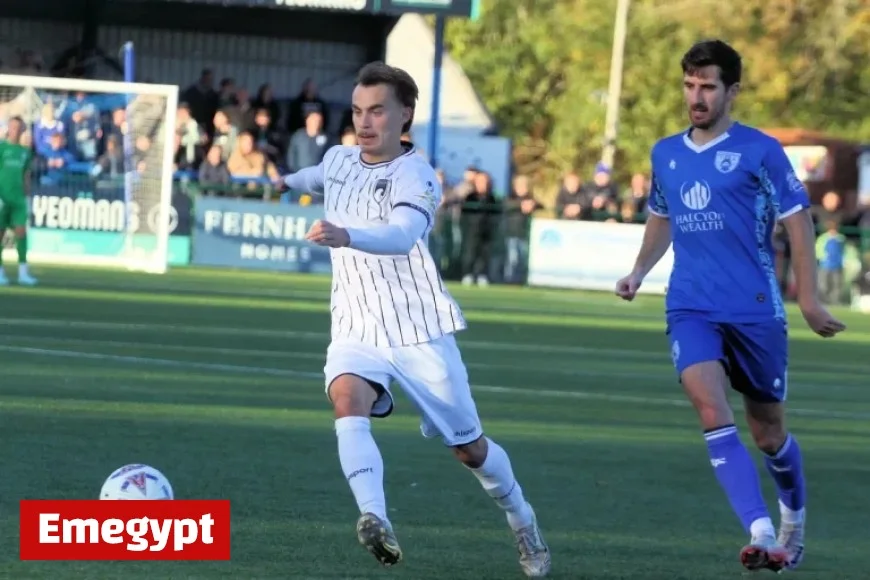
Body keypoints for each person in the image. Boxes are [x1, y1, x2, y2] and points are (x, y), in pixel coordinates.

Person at [276, 61, 551, 578]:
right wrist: (281, 182)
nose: (365, 121)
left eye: (377, 110)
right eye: (358, 110)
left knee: (470, 450)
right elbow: (312, 176)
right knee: (345, 399)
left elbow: (402, 234)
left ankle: (523, 520)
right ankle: (374, 518)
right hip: (356, 325)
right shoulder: (339, 159)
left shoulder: (417, 174)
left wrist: (346, 234)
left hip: (417, 331)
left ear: (405, 114)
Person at [615, 40, 845, 573]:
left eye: (708, 86)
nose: (696, 96)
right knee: (711, 408)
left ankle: (792, 523)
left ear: (731, 91)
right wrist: (639, 270)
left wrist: (808, 299)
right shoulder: (665, 152)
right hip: (691, 306)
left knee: (768, 433)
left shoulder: (761, 150)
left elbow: (797, 221)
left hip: (756, 310)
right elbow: (661, 216)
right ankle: (760, 529)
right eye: (689, 85)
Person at [0, 117, 37, 286]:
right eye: (12, 126)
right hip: (2, 198)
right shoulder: (2, 148)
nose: (15, 130)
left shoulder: (25, 152)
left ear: (22, 130)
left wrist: (28, 197)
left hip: (18, 200)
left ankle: (23, 272)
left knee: (21, 232)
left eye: (18, 127)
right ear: (8, 128)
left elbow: (26, 177)